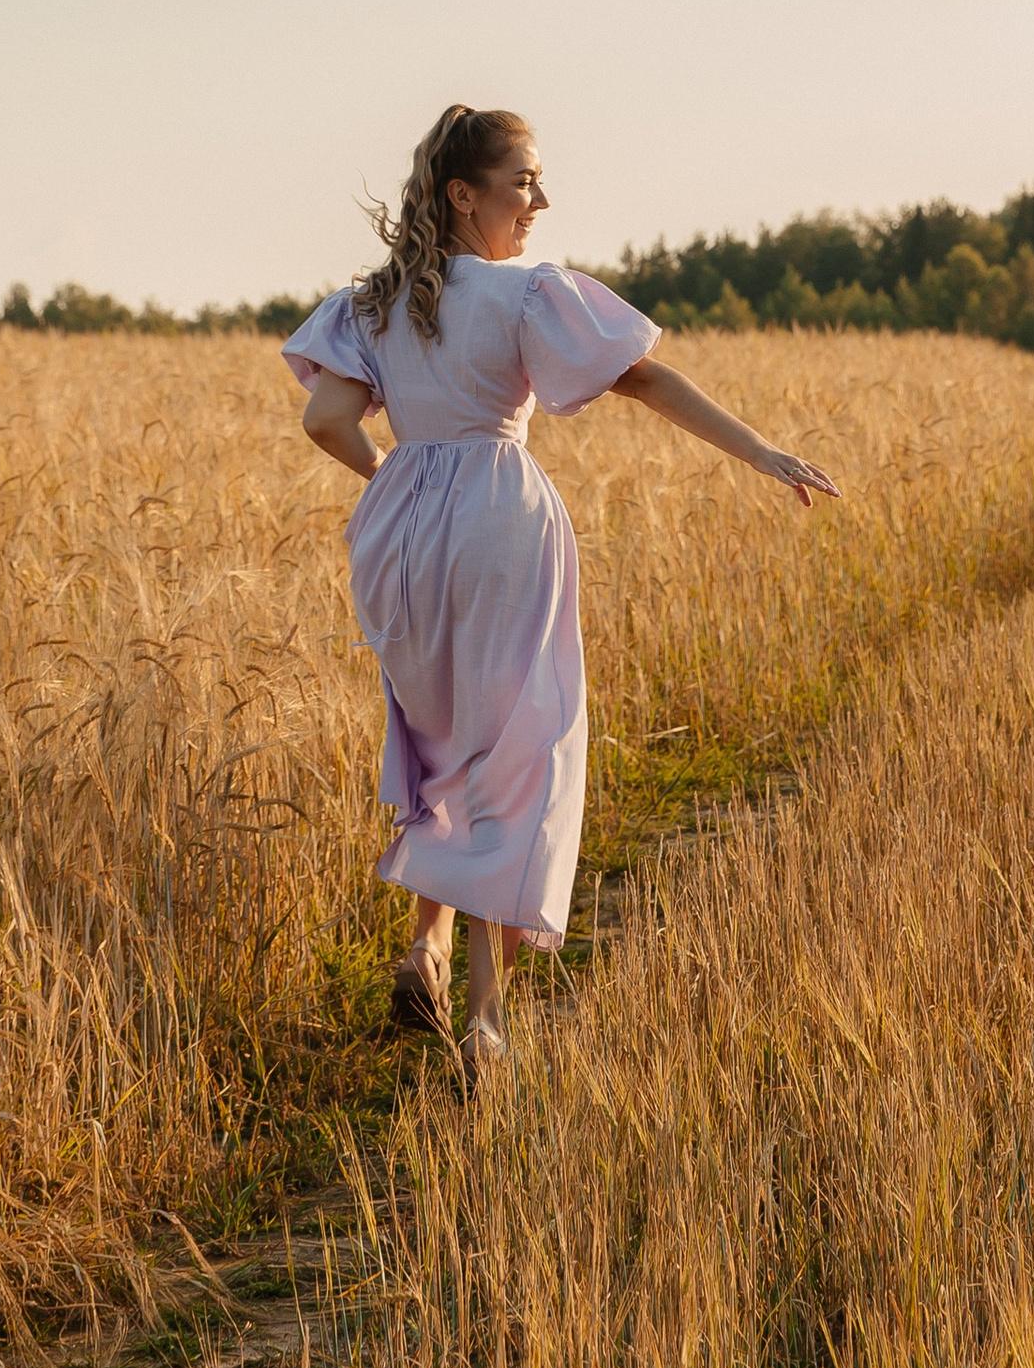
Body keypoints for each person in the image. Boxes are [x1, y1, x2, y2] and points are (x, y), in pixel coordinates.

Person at [283, 103, 838, 1089]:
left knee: (441, 739)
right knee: (516, 758)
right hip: (500, 519)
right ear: (466, 195)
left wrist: (397, 478)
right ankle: (485, 1024)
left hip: (401, 532)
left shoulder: (371, 301)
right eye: (523, 181)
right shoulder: (528, 291)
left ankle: (426, 948)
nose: (540, 199)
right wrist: (760, 451)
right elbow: (645, 379)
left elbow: (326, 420)